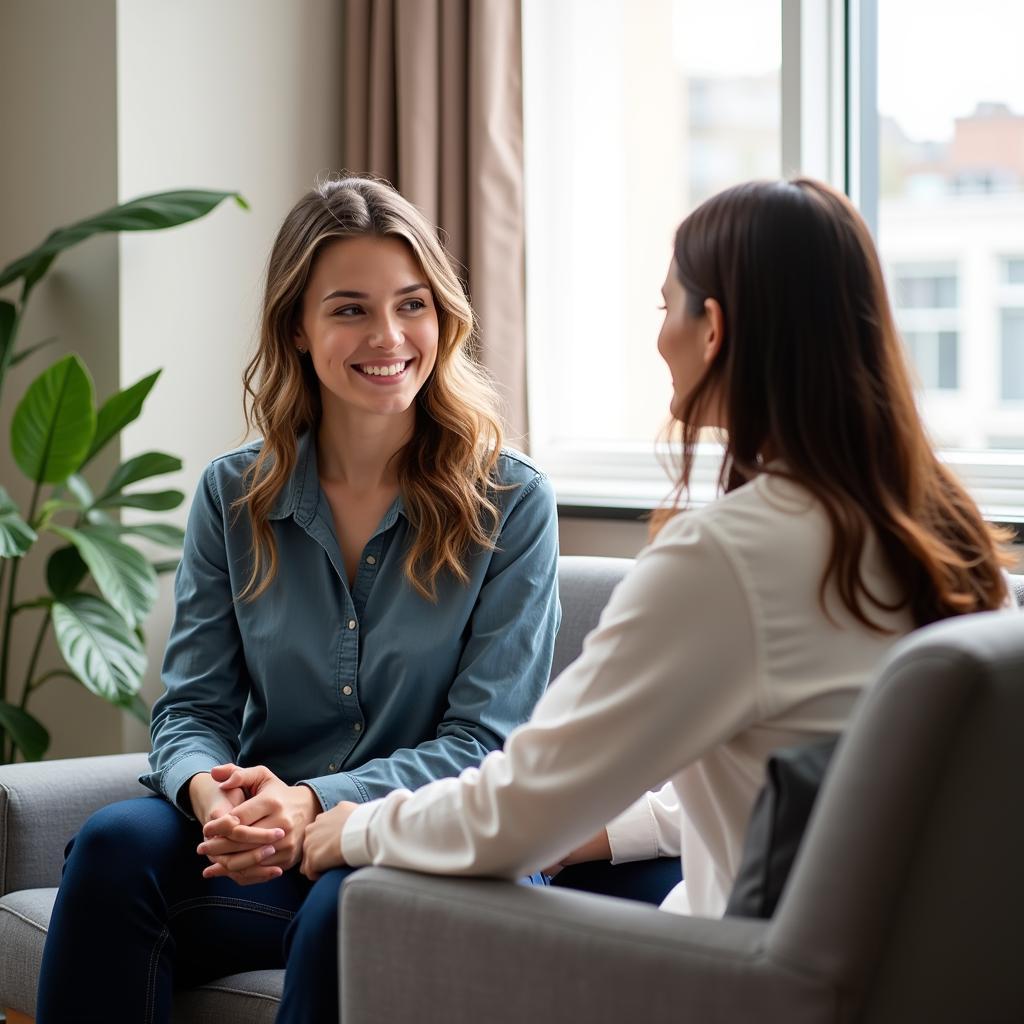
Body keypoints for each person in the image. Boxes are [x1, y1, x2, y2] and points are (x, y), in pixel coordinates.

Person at [300, 177, 1014, 921]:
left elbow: (522, 810)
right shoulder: (948, 543)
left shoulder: (728, 559)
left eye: (666, 305)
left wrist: (360, 827)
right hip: (903, 972)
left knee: (351, 918)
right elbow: (767, 773)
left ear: (714, 329)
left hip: (729, 978)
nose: (659, 334)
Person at [35, 176, 560, 1024]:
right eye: (350, 309)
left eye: (412, 304)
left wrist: (315, 801)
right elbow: (194, 707)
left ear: (443, 315)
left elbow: (485, 743)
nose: (388, 336)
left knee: (350, 900)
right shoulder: (232, 495)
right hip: (270, 853)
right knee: (112, 847)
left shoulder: (511, 501)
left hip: (423, 846)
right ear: (299, 330)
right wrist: (214, 798)